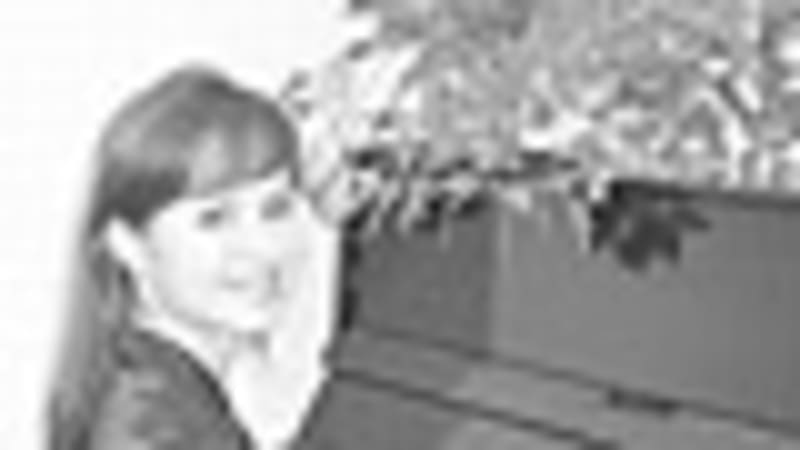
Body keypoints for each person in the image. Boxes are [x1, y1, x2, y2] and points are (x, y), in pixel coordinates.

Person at [47, 65, 343, 450]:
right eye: (214, 219)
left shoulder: (153, 388)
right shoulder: (151, 423)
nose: (262, 246)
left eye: (275, 209)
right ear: (128, 245)